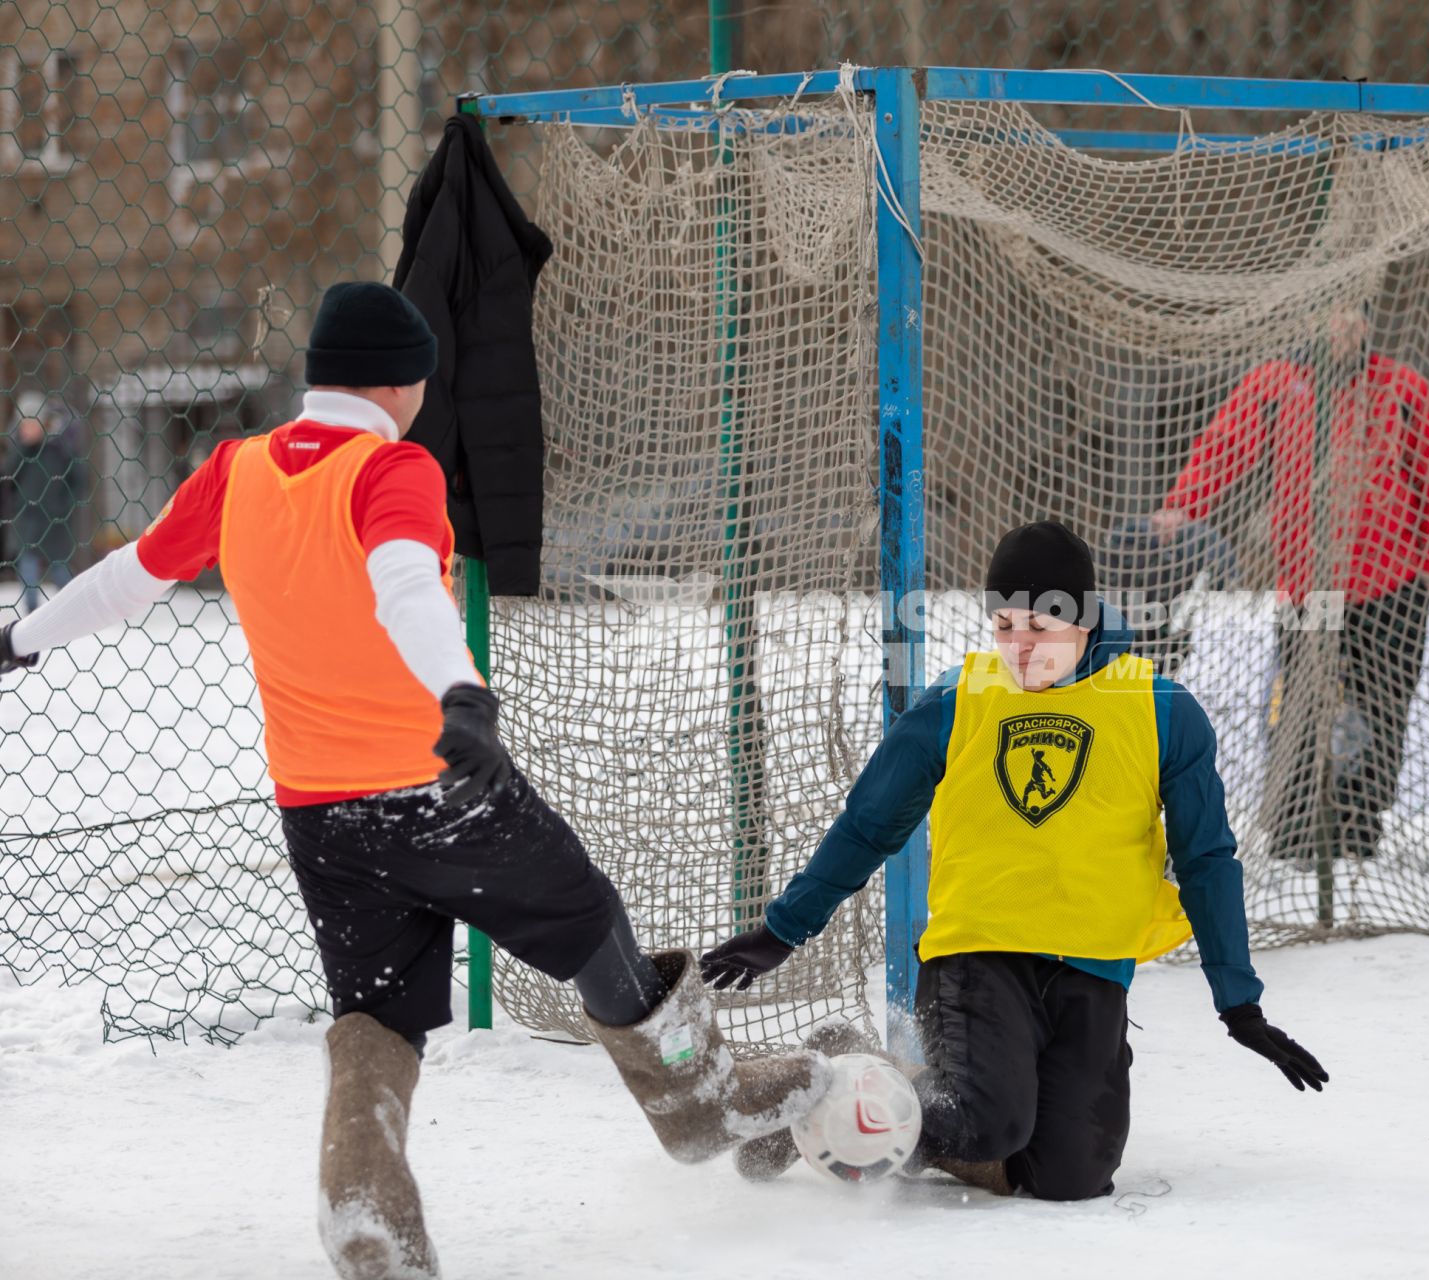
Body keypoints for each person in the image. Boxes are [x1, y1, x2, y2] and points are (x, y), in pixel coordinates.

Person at [0, 282, 829, 1279]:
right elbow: (402, 582)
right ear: (403, 383)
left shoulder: (237, 467)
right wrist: (461, 695)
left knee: (378, 1014)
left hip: (319, 814)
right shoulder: (390, 465)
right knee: (593, 921)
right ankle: (704, 1101)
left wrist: (21, 635)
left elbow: (131, 574)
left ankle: (366, 1203)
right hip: (439, 790)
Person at [700, 520, 1328, 1201]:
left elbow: (1207, 861)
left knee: (1070, 1177)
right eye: (1003, 624)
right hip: (978, 956)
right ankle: (821, 1087)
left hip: (1092, 966)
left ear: (1085, 620)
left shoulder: (1161, 710)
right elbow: (870, 825)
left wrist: (1240, 1005)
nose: (1019, 646)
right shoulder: (957, 698)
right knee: (986, 1125)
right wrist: (784, 928)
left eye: (1041, 624)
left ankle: (875, 1077)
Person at [1153, 306, 1429, 860]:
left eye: (1354, 317)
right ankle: (1292, 828)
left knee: (1381, 708)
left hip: (1389, 582)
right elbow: (1223, 448)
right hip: (1307, 586)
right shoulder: (1277, 386)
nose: (1343, 328)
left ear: (1366, 322)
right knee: (1300, 709)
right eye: (1333, 317)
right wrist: (1182, 507)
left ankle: (1360, 828)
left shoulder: (1401, 387)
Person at [4, 396, 84, 612]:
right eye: (23, 424)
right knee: (28, 575)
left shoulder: (58, 450)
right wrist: (22, 449)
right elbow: (7, 477)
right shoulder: (18, 452)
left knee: (60, 573)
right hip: (27, 524)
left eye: (32, 423)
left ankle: (75, 610)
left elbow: (78, 479)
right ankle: (32, 617)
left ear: (43, 423)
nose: (27, 429)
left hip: (54, 523)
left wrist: (64, 507)